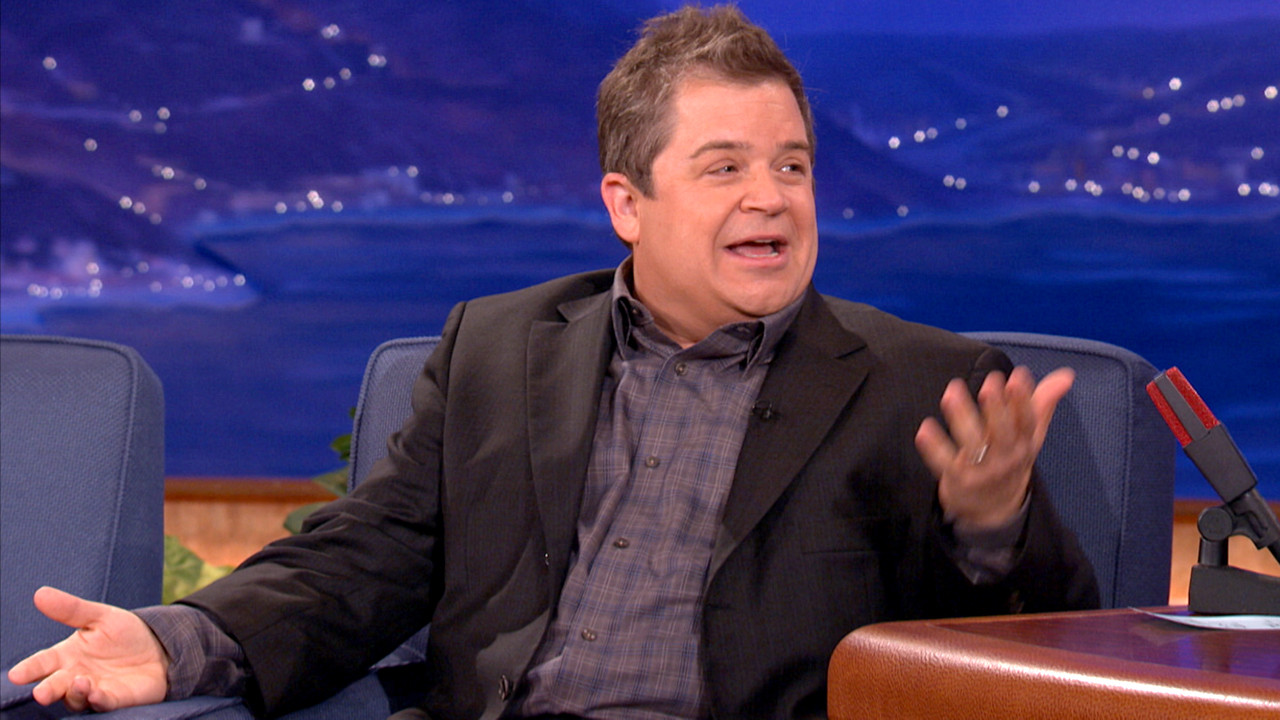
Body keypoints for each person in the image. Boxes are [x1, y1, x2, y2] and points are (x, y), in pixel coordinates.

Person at [8, 5, 1098, 719]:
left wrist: (987, 527)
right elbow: (365, 559)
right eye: (724, 168)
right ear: (628, 203)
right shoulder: (496, 349)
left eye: (793, 166)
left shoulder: (921, 387)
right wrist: (183, 640)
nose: (771, 197)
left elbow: (1031, 663)